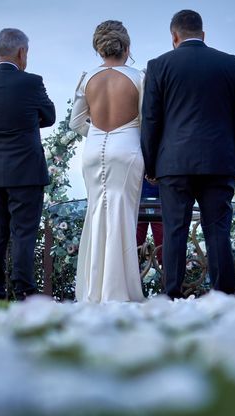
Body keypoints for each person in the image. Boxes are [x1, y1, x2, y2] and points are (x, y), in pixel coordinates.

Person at [141, 10, 235, 299]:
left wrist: (150, 163)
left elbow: (151, 119)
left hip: (174, 163)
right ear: (203, 34)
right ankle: (223, 295)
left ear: (174, 36)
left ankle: (172, 293)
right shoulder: (230, 64)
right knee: (217, 230)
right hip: (219, 161)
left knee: (174, 229)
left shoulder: (159, 65)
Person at [0, 28, 55, 301]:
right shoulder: (31, 82)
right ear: (22, 52)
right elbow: (50, 116)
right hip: (26, 171)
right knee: (23, 233)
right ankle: (24, 290)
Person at [70, 20, 145, 303]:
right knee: (122, 215)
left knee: (96, 214)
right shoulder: (139, 77)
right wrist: (125, 133)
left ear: (99, 49)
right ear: (126, 47)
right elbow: (145, 120)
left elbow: (76, 122)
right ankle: (118, 290)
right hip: (126, 149)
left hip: (93, 150)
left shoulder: (87, 78)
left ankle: (93, 290)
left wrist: (99, 132)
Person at [136, 178, 163, 264]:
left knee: (136, 239)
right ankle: (165, 272)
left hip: (139, 193)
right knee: (162, 239)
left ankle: (164, 271)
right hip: (157, 192)